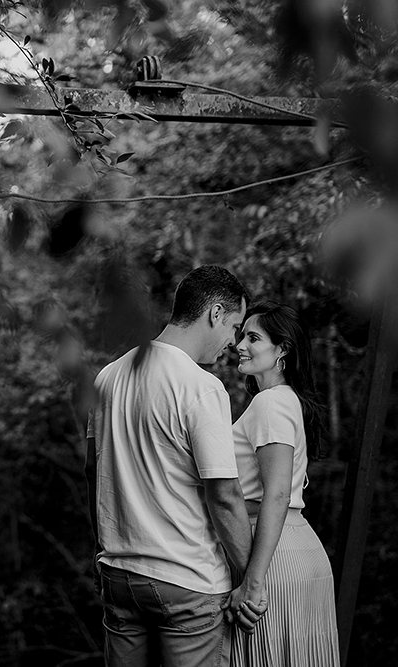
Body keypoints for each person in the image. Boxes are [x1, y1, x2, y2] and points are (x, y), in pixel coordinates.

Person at [85, 265, 265, 667]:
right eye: (235, 327)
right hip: (187, 582)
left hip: (119, 574)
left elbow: (92, 477)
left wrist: (104, 547)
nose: (232, 343)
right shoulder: (200, 387)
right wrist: (250, 580)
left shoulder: (108, 378)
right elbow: (224, 495)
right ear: (215, 314)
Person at [228, 300, 340, 666]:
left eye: (253, 337)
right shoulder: (288, 400)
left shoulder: (270, 404)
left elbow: (276, 493)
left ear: (283, 350)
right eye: (241, 335)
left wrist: (253, 581)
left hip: (273, 556)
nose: (240, 344)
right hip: (294, 547)